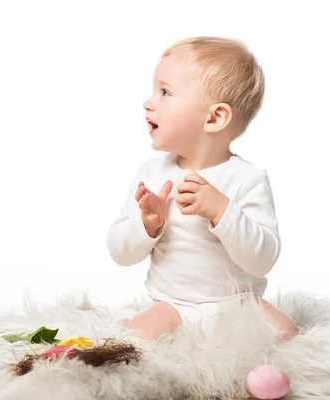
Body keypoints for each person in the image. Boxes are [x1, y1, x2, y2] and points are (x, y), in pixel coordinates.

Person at [106, 36, 299, 342]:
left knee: (288, 333)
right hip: (173, 306)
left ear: (214, 117)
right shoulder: (152, 174)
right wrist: (147, 225)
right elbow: (120, 252)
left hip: (238, 305)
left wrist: (222, 211)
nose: (148, 102)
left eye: (165, 92)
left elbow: (262, 260)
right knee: (128, 340)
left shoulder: (247, 178)